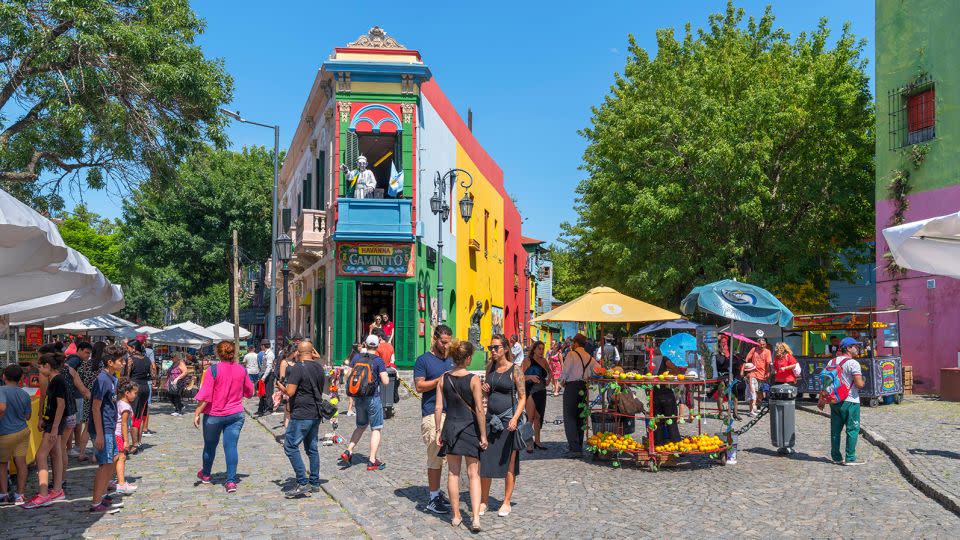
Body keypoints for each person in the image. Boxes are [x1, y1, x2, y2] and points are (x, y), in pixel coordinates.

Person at [435, 340, 487, 532]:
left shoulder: (443, 378)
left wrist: (438, 431)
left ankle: (456, 515)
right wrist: (483, 435)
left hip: (450, 427)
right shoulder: (473, 379)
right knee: (474, 475)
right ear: (467, 358)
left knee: (453, 473)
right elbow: (480, 410)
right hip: (469, 428)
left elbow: (439, 407)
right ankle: (474, 519)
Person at [193, 341, 255, 493]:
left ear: (218, 353)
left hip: (214, 414)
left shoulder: (212, 370)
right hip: (235, 414)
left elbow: (206, 395)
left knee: (210, 445)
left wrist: (197, 413)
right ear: (234, 352)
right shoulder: (241, 370)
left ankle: (206, 475)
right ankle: (231, 481)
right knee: (231, 447)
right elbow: (250, 392)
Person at [480, 334, 525, 518]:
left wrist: (515, 418)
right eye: (491, 347)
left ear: (506, 349)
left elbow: (522, 397)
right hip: (491, 420)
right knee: (486, 461)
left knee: (509, 463)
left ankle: (506, 501)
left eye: (496, 347)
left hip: (508, 422)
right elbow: (486, 395)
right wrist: (484, 390)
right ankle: (484, 500)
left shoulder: (515, 370)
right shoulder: (489, 368)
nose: (493, 350)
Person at [413, 324, 454, 514]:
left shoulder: (453, 359)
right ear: (434, 339)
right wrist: (440, 380)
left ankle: (439, 493)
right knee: (436, 457)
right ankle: (433, 497)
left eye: (449, 343)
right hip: (432, 414)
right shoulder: (423, 360)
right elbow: (419, 386)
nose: (446, 346)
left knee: (450, 458)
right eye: (443, 342)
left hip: (453, 413)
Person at [281, 340, 327, 498]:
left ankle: (302, 482)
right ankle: (314, 482)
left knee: (290, 446)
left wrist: (281, 388)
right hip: (315, 413)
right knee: (312, 448)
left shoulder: (297, 368)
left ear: (298, 353)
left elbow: (290, 392)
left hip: (302, 413)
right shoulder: (319, 367)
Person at [23, 352, 69, 509]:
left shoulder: (57, 380)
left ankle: (43, 494)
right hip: (53, 423)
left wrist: (54, 427)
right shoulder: (56, 378)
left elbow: (61, 405)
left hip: (54, 425)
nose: (39, 369)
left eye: (41, 366)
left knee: (40, 456)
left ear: (48, 366)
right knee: (55, 454)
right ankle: (57, 490)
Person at [339, 334, 389, 471]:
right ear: (377, 346)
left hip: (358, 398)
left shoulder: (356, 357)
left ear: (365, 345)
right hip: (373, 397)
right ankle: (372, 460)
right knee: (376, 428)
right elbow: (385, 381)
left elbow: (347, 374)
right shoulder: (378, 361)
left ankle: (348, 451)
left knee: (360, 426)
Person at [87, 346, 124, 514]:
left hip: (109, 426)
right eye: (120, 361)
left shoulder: (111, 378)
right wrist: (100, 434)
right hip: (103, 428)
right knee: (105, 464)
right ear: (110, 362)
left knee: (113, 459)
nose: (123, 363)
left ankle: (102, 495)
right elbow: (95, 408)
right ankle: (96, 502)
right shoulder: (102, 379)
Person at [823, 337, 866, 466]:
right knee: (852, 429)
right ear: (848, 348)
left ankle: (836, 457)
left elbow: (826, 382)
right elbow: (858, 384)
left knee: (835, 430)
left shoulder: (832, 361)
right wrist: (863, 381)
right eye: (855, 346)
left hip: (834, 400)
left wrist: (822, 399)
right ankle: (850, 458)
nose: (858, 348)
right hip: (850, 401)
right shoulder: (853, 363)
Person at [0, 364, 32, 505]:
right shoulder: (24, 393)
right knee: (21, 464)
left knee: (2, 464)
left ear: (4, 377)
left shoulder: (1, 391)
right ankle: (20, 494)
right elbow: (28, 416)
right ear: (20, 379)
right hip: (22, 431)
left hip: (5, 433)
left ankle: (4, 494)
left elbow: (2, 408)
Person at [559, 333, 595, 457]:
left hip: (572, 387)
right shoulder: (589, 357)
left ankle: (574, 449)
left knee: (570, 417)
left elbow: (565, 371)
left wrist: (561, 382)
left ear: (575, 343)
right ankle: (579, 445)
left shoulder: (571, 354)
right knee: (580, 417)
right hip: (584, 388)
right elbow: (598, 369)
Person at [75, 341, 105, 462]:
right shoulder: (104, 365)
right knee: (98, 426)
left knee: (87, 427)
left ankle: (81, 453)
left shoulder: (85, 364)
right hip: (99, 397)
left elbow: (78, 379)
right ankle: (94, 455)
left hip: (86, 397)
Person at [124, 339, 156, 452]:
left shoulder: (130, 359)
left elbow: (127, 377)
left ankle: (135, 444)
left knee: (134, 417)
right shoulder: (147, 359)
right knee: (141, 416)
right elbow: (153, 375)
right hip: (145, 388)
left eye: (128, 348)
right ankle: (139, 442)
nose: (127, 350)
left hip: (134, 388)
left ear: (133, 348)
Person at [521, 341, 550, 452]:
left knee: (538, 417)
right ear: (534, 349)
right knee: (530, 418)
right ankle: (529, 443)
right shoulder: (527, 361)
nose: (542, 351)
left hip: (541, 391)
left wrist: (548, 381)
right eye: (539, 349)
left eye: (543, 349)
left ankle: (537, 441)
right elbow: (520, 376)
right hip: (530, 391)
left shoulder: (544, 361)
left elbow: (549, 372)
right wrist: (530, 377)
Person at [114, 378, 138, 494]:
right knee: (121, 457)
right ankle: (121, 483)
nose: (136, 396)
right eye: (135, 393)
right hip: (119, 435)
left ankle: (114, 480)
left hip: (116, 434)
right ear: (127, 393)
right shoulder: (126, 407)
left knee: (116, 458)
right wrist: (126, 441)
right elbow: (123, 424)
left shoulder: (119, 403)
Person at [742, 337, 771, 416]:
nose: (762, 346)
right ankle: (751, 409)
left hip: (762, 375)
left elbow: (768, 364)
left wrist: (768, 372)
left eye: (763, 344)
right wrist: (743, 370)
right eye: (760, 344)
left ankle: (758, 407)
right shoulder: (754, 349)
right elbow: (746, 359)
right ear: (757, 344)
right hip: (753, 373)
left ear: (765, 344)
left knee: (760, 394)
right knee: (753, 392)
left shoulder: (767, 351)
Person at [256, 340, 276, 416]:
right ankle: (261, 408)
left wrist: (264, 377)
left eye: (261, 345)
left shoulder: (270, 354)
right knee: (262, 392)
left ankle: (269, 408)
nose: (261, 347)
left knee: (268, 392)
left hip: (269, 375)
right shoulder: (266, 353)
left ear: (263, 346)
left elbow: (269, 367)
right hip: (265, 374)